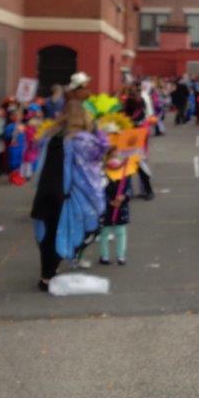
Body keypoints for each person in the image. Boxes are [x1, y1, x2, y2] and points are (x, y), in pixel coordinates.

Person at [30, 101, 108, 291]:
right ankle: (50, 273)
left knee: (47, 234)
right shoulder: (82, 140)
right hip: (66, 196)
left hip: (45, 192)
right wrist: (99, 133)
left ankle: (47, 275)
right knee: (69, 231)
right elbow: (98, 156)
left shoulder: (50, 136)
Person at [98, 156, 132, 266]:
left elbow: (128, 191)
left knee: (113, 233)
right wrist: (112, 201)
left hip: (115, 209)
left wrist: (123, 198)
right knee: (111, 233)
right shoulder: (124, 175)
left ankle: (114, 256)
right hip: (110, 210)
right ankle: (111, 256)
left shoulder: (125, 175)